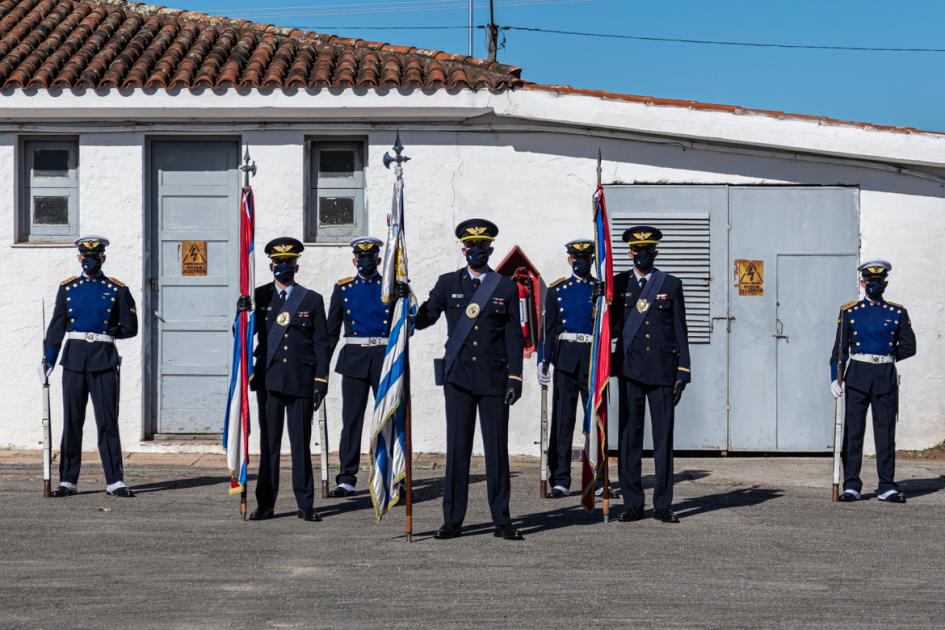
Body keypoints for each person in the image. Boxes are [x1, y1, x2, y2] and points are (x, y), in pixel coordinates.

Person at [406, 219, 525, 540]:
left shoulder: (505, 287)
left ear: (490, 249)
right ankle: (452, 521)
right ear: (463, 249)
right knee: (458, 451)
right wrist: (406, 304)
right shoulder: (447, 283)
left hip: (494, 380)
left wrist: (516, 377)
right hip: (458, 379)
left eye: (482, 247)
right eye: (471, 247)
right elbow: (427, 318)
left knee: (497, 452)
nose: (476, 251)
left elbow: (514, 335)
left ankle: (502, 520)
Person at [42, 236, 138, 497]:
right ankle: (68, 480)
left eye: (95, 257)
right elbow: (56, 327)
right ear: (79, 258)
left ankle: (115, 480)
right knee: (72, 421)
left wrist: (108, 332)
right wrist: (48, 358)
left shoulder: (117, 289)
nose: (90, 261)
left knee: (107, 421)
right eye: (86, 257)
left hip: (103, 360)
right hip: (74, 361)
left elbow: (131, 327)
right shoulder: (68, 288)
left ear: (103, 258)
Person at [245, 237, 330, 522]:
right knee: (269, 445)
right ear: (271, 265)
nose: (284, 267)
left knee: (300, 444)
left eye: (289, 262)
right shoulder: (259, 297)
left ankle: (305, 504)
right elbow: (243, 338)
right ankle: (265, 504)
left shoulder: (311, 299)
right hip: (269, 380)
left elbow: (321, 343)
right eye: (279, 263)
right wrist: (241, 313)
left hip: (301, 381)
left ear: (296, 265)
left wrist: (320, 380)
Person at [610, 226, 690, 523]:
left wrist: (684, 370)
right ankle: (632, 502)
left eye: (647, 250)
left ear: (654, 252)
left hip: (662, 371)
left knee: (662, 440)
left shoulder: (670, 283)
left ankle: (663, 504)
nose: (642, 255)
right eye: (636, 250)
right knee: (630, 438)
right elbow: (613, 328)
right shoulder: (617, 285)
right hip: (630, 369)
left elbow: (680, 329)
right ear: (629, 252)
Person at [830, 260, 916, 503]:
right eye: (869, 281)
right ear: (862, 282)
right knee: (853, 433)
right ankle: (852, 485)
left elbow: (910, 346)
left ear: (885, 283)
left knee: (885, 433)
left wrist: (887, 357)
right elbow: (839, 350)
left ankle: (887, 485)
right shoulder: (850, 312)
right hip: (857, 376)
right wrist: (833, 378)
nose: (873, 285)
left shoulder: (897, 312)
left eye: (878, 281)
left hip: (884, 377)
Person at [326, 237, 392, 498]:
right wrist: (320, 370)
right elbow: (331, 333)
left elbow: (408, 323)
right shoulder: (343, 288)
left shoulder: (390, 287)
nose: (366, 262)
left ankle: (391, 474)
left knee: (389, 419)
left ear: (378, 259)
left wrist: (405, 296)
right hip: (354, 357)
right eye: (361, 258)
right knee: (351, 420)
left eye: (371, 258)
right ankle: (347, 477)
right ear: (354, 261)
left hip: (383, 356)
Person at [537, 239, 599, 498]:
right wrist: (544, 359)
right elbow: (548, 330)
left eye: (587, 258)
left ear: (593, 260)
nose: (582, 262)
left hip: (592, 359)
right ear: (570, 260)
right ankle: (560, 477)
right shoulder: (557, 290)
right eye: (577, 258)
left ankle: (597, 477)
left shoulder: (600, 290)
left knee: (596, 421)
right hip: (565, 359)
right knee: (563, 420)